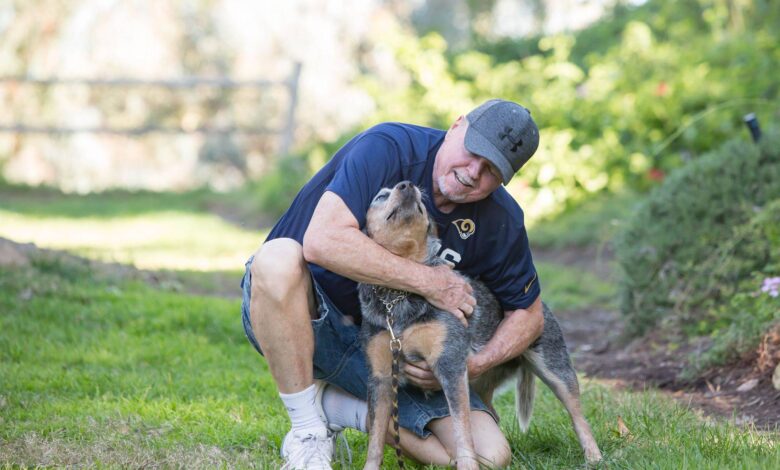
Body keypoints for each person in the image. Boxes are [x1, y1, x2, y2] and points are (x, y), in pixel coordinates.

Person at [241, 99, 545, 469]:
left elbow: (530, 315)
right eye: (473, 152)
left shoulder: (502, 220)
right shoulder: (388, 147)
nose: (472, 172)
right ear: (456, 126)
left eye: (491, 170)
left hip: (399, 357)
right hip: (305, 318)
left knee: (490, 456)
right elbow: (321, 241)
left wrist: (475, 363)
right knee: (276, 258)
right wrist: (429, 281)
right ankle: (307, 432)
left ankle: (335, 407)